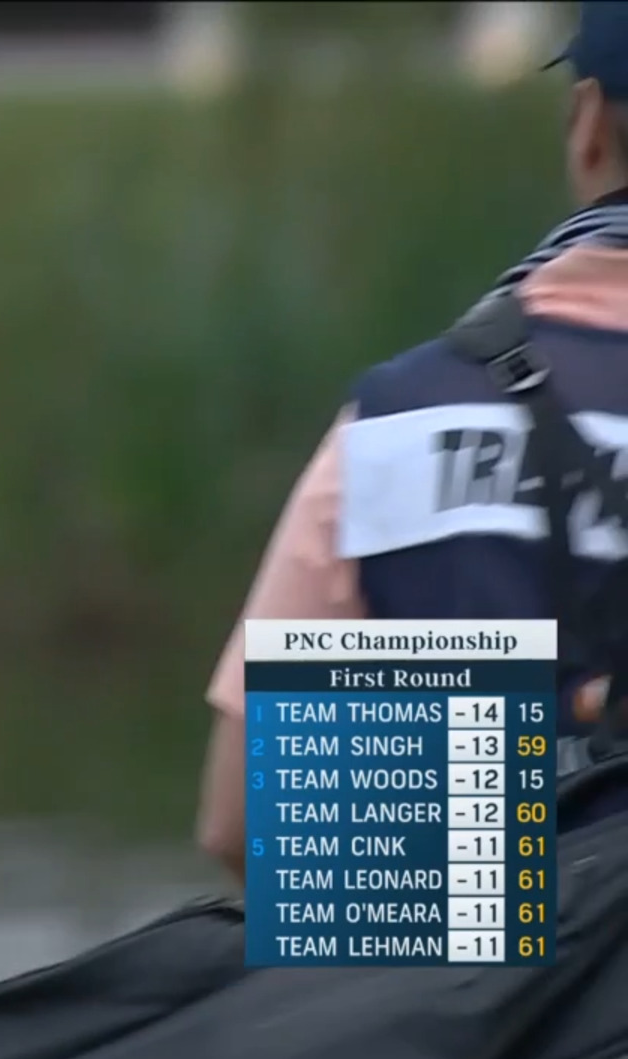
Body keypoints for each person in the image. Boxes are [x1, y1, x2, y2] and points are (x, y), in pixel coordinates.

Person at [195, 1, 628, 885]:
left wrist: (510, 835)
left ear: (588, 127)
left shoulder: (401, 418)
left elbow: (246, 818)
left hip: (501, 968)